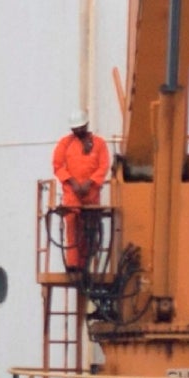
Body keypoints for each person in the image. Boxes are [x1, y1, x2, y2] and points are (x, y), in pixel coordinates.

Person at [52, 110, 112, 278]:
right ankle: (73, 266)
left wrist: (89, 183)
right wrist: (73, 183)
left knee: (89, 229)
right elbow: (58, 165)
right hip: (72, 195)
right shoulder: (65, 144)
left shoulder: (99, 144)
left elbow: (103, 165)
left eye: (80, 128)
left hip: (91, 196)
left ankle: (84, 264)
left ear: (86, 125)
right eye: (74, 129)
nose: (77, 132)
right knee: (72, 228)